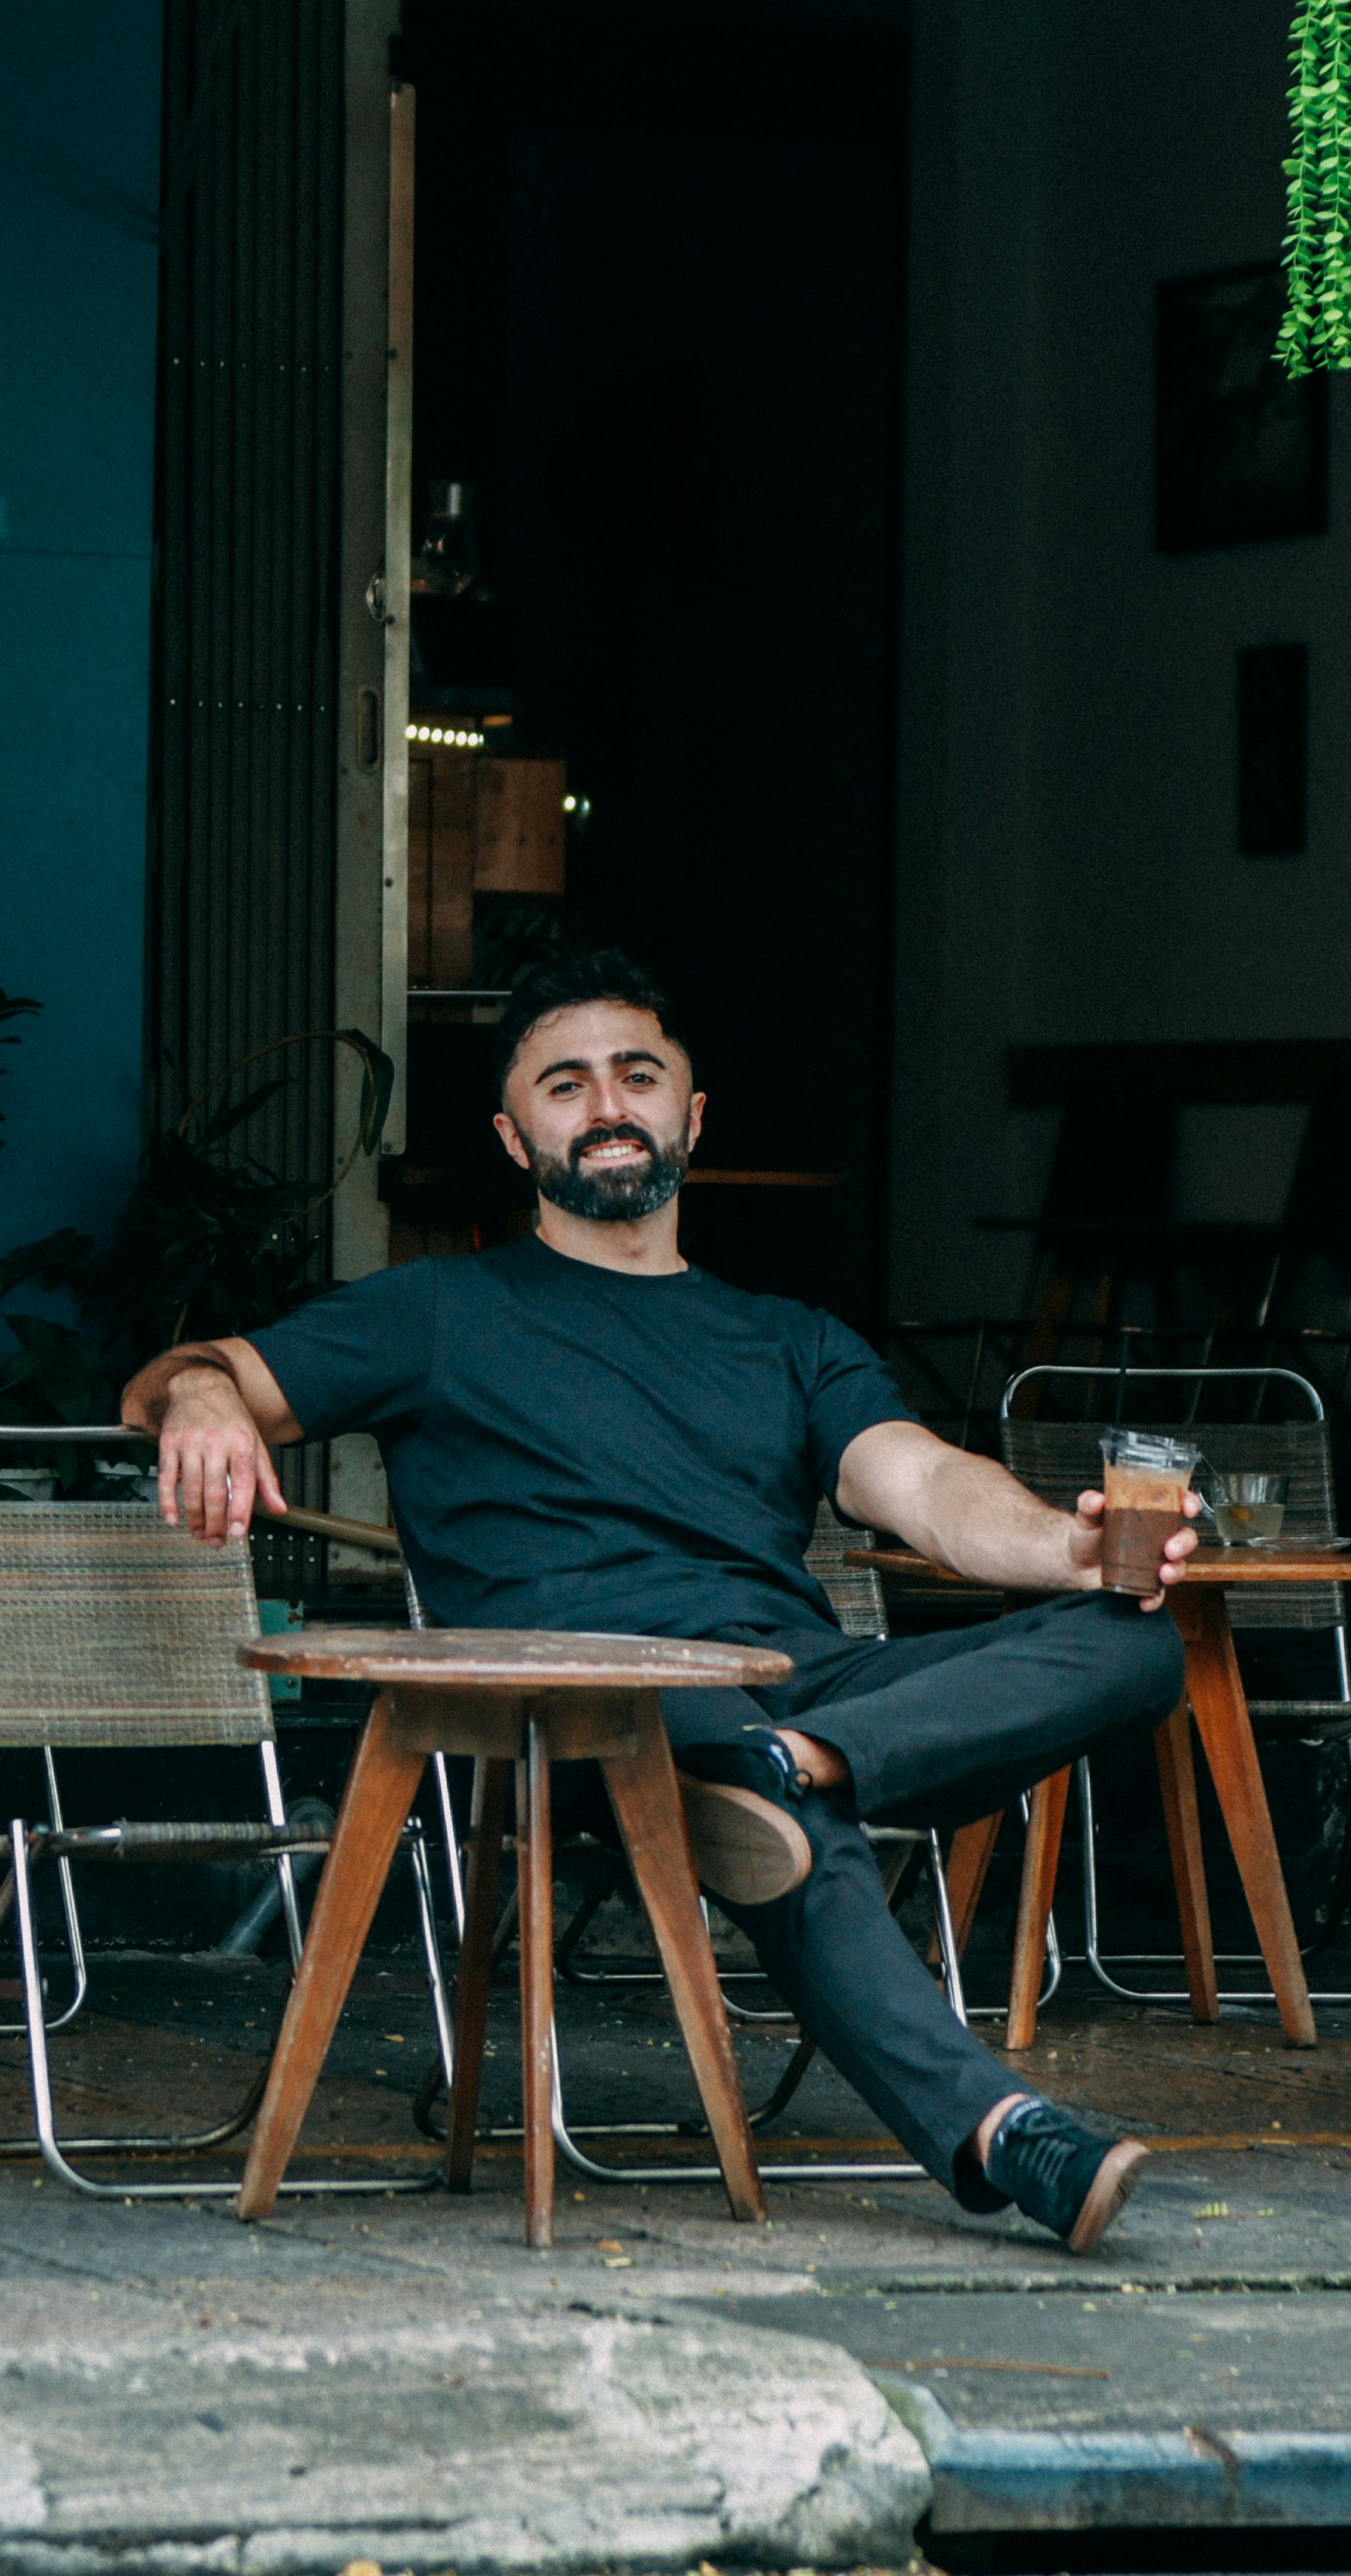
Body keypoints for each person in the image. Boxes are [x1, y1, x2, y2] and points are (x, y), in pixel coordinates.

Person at [121, 947, 1193, 2253]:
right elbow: (179, 1374)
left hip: (776, 1688)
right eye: (563, 1084)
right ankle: (996, 2130)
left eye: (636, 1073)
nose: (605, 1101)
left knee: (1132, 1640)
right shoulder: (436, 1310)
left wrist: (1067, 1547)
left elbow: (916, 1483)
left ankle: (797, 1761)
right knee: (789, 1825)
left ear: (692, 1114)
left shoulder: (786, 1335)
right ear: (516, 1139)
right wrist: (205, 1398)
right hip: (573, 1699)